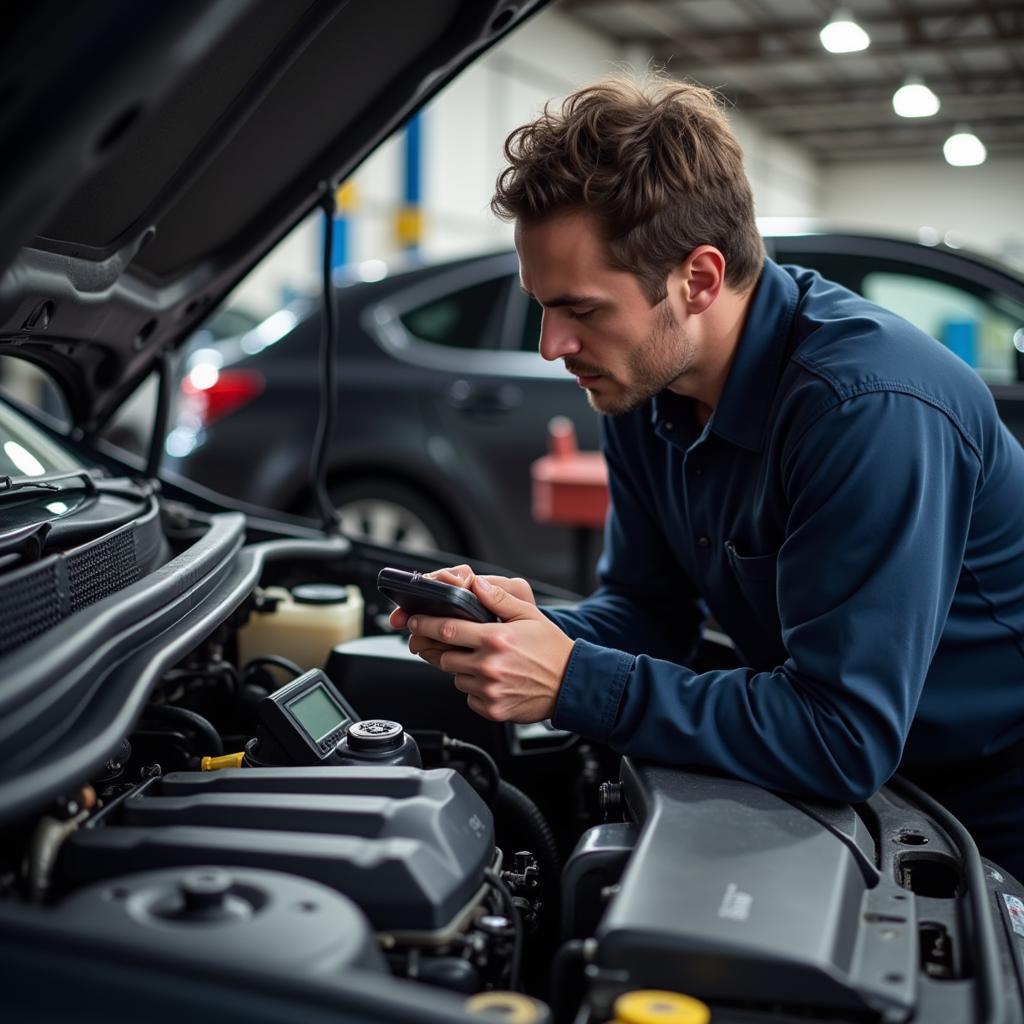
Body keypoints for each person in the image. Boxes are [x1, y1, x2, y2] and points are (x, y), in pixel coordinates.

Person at [391, 75, 1024, 877]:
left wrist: (578, 680)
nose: (552, 346)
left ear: (698, 278)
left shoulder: (866, 407)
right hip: (865, 787)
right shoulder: (646, 387)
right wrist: (526, 632)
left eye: (582, 311)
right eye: (542, 307)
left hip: (991, 798)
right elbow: (652, 613)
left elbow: (840, 736)